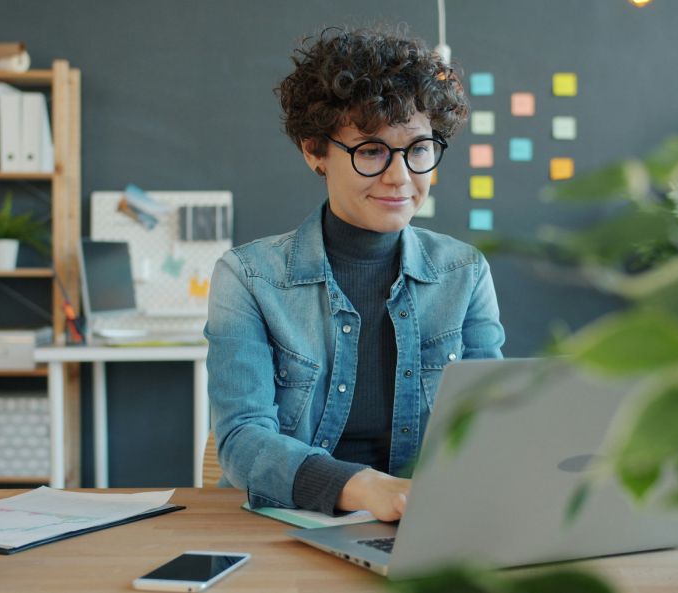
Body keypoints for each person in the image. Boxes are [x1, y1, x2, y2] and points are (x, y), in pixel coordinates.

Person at [204, 25, 504, 522]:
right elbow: (241, 440)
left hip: (425, 520)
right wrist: (367, 489)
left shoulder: (464, 272)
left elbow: (487, 423)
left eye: (419, 149)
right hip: (287, 521)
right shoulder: (249, 277)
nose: (400, 177)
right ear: (314, 151)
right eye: (370, 151)